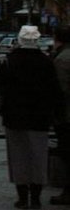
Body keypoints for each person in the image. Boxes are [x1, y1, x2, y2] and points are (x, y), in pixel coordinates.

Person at [0, 25, 64, 210]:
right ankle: (36, 198)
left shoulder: (11, 61)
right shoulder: (46, 62)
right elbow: (55, 90)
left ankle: (22, 197)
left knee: (18, 157)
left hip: (14, 116)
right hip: (39, 118)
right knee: (38, 157)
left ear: (20, 39)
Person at [51, 25, 70, 205]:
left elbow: (59, 90)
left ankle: (67, 191)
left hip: (66, 115)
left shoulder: (62, 59)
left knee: (66, 152)